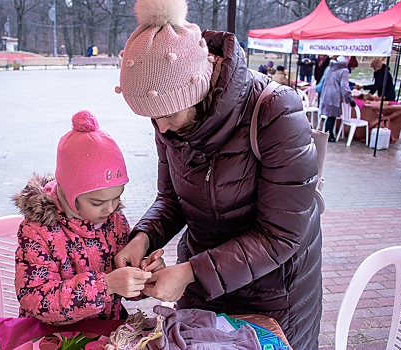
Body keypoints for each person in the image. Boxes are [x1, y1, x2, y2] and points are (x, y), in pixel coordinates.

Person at [114, 0, 322, 348]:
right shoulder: (168, 117)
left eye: (169, 116)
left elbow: (281, 235)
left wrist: (191, 272)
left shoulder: (275, 111)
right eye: (153, 119)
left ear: (196, 90)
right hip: (201, 285)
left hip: (273, 291)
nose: (161, 129)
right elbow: (172, 198)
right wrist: (143, 238)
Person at [13, 110, 165, 325]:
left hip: (106, 329)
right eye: (97, 202)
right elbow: (35, 298)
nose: (110, 209)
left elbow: (122, 282)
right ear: (69, 192)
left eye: (117, 197)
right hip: (50, 336)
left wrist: (143, 277)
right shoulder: (37, 230)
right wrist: (106, 285)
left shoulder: (115, 222)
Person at [319, 56, 355, 142]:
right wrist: (350, 99)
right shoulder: (344, 71)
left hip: (326, 94)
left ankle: (329, 134)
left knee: (330, 116)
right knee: (332, 116)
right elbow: (344, 87)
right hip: (335, 96)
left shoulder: (330, 68)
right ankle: (328, 135)